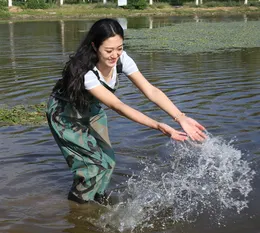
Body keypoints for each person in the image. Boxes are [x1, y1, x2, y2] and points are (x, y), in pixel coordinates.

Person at [46, 18, 206, 205]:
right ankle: (77, 206)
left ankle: (96, 200)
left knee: (108, 161)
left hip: (91, 109)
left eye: (119, 48)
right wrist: (159, 125)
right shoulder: (86, 72)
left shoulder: (122, 59)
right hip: (65, 115)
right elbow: (117, 105)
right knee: (93, 165)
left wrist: (180, 117)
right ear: (94, 46)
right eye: (108, 50)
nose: (115, 55)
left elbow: (151, 90)